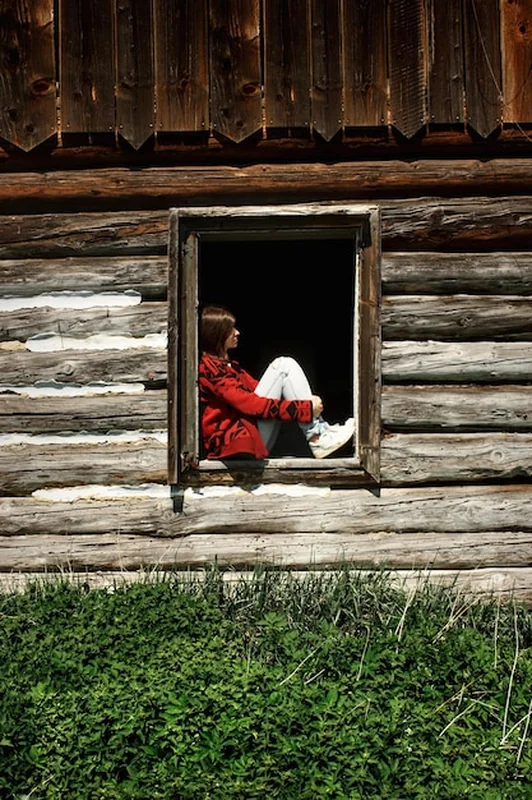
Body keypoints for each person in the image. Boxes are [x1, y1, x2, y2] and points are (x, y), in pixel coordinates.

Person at [199, 305, 355, 461]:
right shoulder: (211, 371)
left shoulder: (230, 367)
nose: (237, 332)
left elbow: (264, 395)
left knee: (285, 368)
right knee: (284, 365)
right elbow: (252, 405)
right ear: (217, 335)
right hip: (235, 445)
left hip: (250, 438)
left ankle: (318, 431)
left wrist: (304, 402)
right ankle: (317, 436)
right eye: (230, 329)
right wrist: (305, 408)